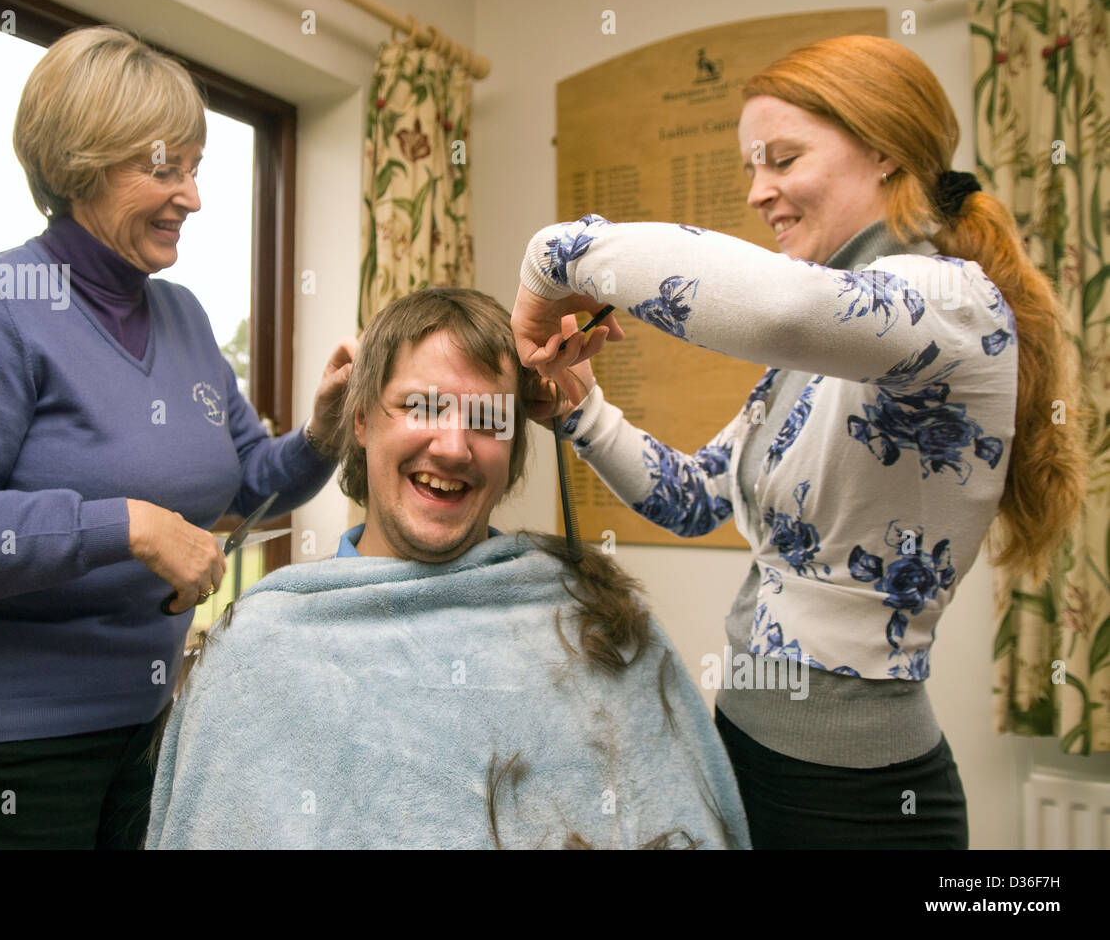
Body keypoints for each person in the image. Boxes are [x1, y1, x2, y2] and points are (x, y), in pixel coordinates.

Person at [511, 35, 1086, 849]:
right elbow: (689, 498)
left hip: (851, 803)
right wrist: (581, 409)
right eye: (750, 166)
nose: (757, 191)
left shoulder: (950, 305)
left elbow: (779, 309)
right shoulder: (828, 354)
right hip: (753, 751)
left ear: (884, 148)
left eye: (781, 159)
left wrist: (551, 258)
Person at [0, 26, 356, 849]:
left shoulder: (184, 316)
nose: (192, 196)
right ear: (80, 167)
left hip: (148, 717)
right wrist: (130, 525)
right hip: (5, 742)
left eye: (196, 169)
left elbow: (244, 484)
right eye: (164, 169)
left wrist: (324, 433)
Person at [145, 287, 751, 849]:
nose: (454, 447)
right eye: (420, 407)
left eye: (488, 419)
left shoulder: (592, 621)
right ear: (360, 421)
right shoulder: (264, 648)